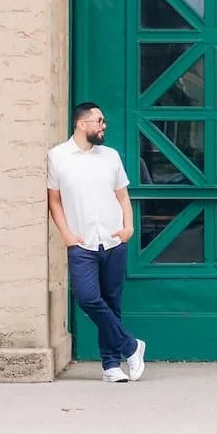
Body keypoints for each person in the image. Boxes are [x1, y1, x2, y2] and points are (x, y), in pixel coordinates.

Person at [47, 101, 146, 383]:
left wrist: (129, 227)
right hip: (81, 242)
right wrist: (66, 234)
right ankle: (131, 346)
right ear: (81, 124)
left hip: (114, 239)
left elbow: (122, 196)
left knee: (112, 302)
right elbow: (53, 200)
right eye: (99, 121)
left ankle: (111, 366)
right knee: (88, 297)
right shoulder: (57, 157)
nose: (104, 126)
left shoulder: (111, 156)